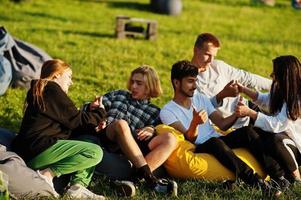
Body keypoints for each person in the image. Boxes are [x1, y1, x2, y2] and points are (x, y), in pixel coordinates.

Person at [160, 60, 290, 196]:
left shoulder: (200, 98)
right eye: (190, 81)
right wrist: (195, 123)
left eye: (196, 81)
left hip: (218, 139)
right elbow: (189, 138)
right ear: (176, 83)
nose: (195, 86)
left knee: (247, 131)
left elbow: (222, 124)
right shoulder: (168, 111)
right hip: (200, 146)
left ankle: (278, 176)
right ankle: (256, 182)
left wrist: (237, 114)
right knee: (215, 142)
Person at [12, 59, 106, 199]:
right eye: (69, 76)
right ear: (56, 75)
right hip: (38, 150)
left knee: (90, 140)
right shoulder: (51, 89)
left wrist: (94, 126)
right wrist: (100, 112)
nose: (71, 82)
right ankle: (47, 174)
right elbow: (76, 120)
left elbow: (71, 125)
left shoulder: (45, 91)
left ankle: (77, 187)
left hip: (36, 148)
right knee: (94, 152)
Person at [89, 65, 178, 196]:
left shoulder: (154, 112)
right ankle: (151, 180)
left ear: (150, 86)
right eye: (132, 82)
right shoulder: (119, 94)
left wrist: (152, 129)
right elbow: (96, 106)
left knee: (170, 138)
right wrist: (95, 108)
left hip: (132, 147)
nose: (133, 86)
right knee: (121, 124)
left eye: (139, 83)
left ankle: (132, 182)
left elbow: (159, 130)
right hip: (109, 135)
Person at [235, 55, 301, 183]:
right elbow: (267, 100)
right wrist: (243, 89)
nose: (271, 75)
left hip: (296, 146)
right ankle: (279, 175)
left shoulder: (297, 99)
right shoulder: (282, 88)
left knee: (275, 139)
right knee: (252, 132)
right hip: (284, 138)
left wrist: (250, 113)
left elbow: (278, 125)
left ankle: (297, 178)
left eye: (275, 73)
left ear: (285, 76)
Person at [191, 33, 272, 129]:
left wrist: (276, 86)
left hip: (249, 110)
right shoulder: (188, 79)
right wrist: (221, 95)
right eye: (207, 55)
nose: (210, 60)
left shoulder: (218, 66)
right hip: (231, 125)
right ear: (196, 50)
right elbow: (200, 111)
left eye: (214, 56)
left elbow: (247, 78)